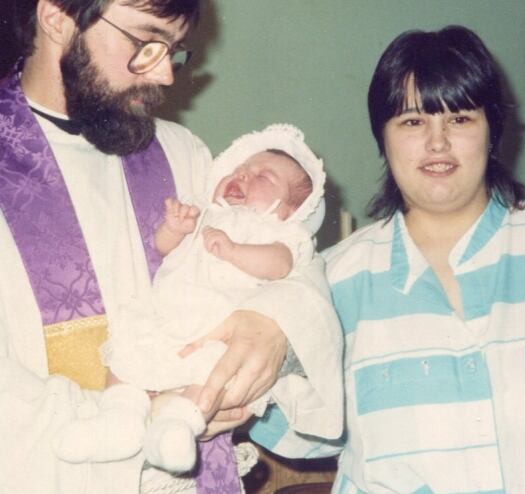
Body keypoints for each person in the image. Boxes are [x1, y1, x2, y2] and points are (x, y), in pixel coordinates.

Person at [249, 25, 525, 493]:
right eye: (412, 122)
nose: (437, 143)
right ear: (383, 137)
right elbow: (294, 430)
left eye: (459, 119)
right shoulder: (327, 284)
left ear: (492, 130)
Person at [0, 1, 341, 493]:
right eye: (146, 43)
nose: (164, 75)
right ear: (55, 16)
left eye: (174, 52)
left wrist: (276, 328)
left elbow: (289, 250)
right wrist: (144, 419)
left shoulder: (183, 154)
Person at [53, 124, 342, 474]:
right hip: (166, 317)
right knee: (127, 352)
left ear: (294, 209)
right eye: (239, 170)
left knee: (208, 376)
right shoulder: (207, 214)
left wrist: (235, 250)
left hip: (213, 328)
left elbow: (280, 265)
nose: (243, 177)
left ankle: (176, 427)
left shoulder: (280, 233)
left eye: (263, 176)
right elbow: (164, 249)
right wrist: (174, 229)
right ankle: (117, 420)